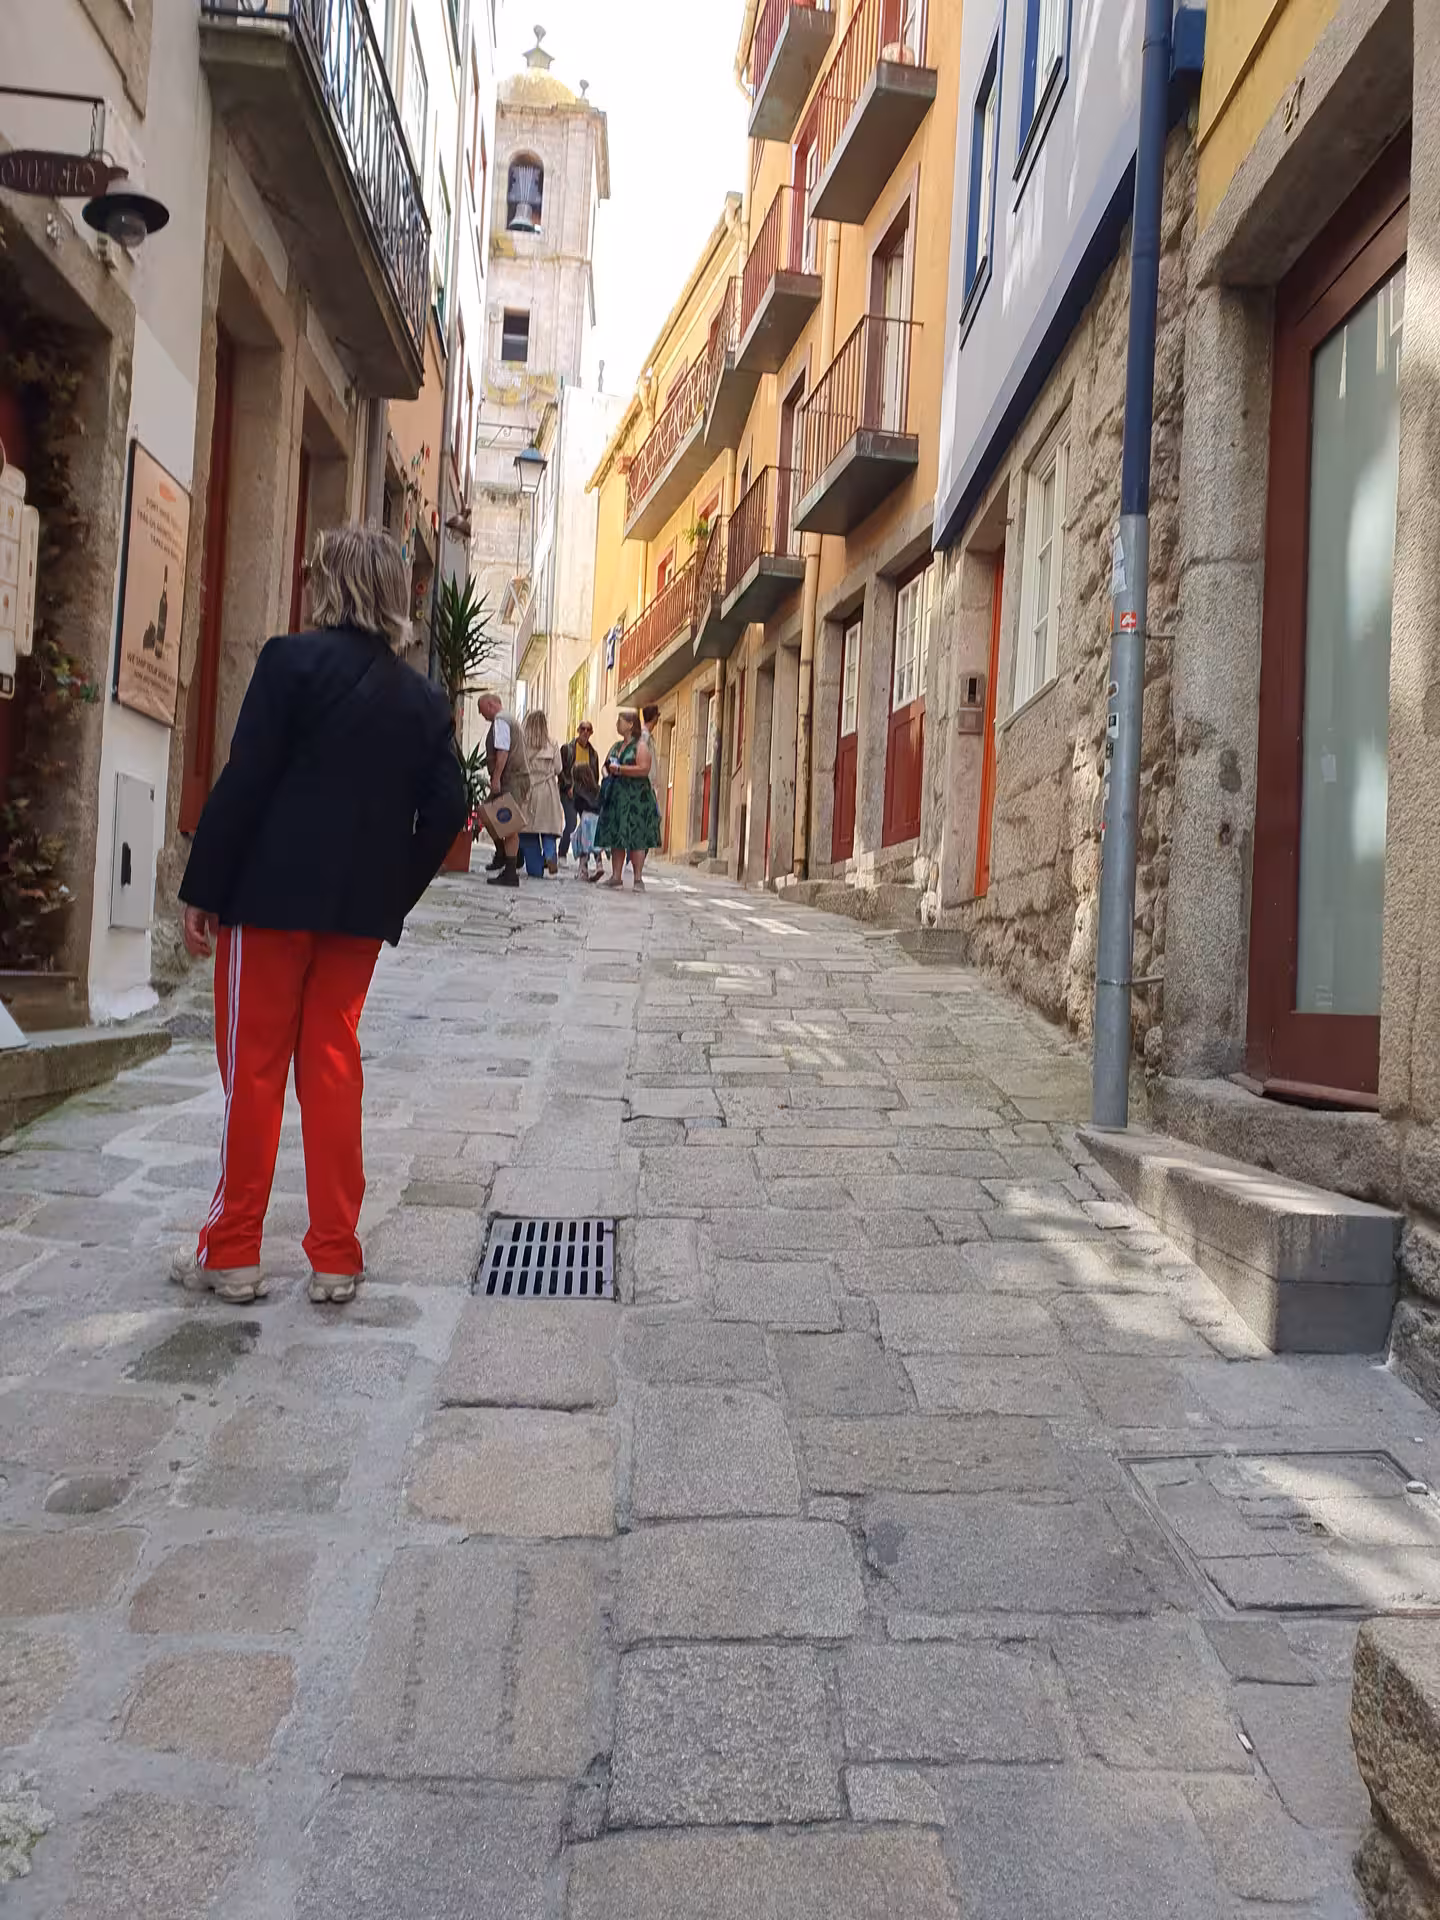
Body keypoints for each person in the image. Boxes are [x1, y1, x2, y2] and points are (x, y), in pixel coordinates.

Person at [173, 523, 467, 1308]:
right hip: (352, 918)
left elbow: (246, 778)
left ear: (330, 584)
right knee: (333, 1067)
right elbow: (450, 806)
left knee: (255, 1071)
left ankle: (233, 1250)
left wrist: (204, 886)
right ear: (393, 596)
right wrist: (390, 890)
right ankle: (336, 1254)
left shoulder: (288, 662)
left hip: (265, 903)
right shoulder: (423, 699)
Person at [593, 708, 662, 890]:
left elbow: (643, 768)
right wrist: (607, 771)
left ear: (630, 724)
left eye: (620, 720)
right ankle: (616, 876)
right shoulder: (616, 746)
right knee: (617, 836)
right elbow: (607, 764)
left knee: (636, 836)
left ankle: (638, 879)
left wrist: (621, 770)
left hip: (637, 798)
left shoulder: (640, 745)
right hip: (617, 797)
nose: (617, 724)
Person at [477, 688, 532, 887]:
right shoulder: (506, 719)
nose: (483, 717)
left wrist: (497, 778)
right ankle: (503, 855)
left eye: (483, 712)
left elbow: (503, 751)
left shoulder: (501, 720)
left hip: (511, 778)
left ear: (491, 705)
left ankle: (510, 871)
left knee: (508, 825)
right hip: (512, 778)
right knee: (485, 811)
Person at [517, 708, 565, 877]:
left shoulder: (521, 744)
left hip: (528, 790)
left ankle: (535, 868)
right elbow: (559, 768)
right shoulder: (552, 744)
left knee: (528, 832)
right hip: (547, 789)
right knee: (548, 828)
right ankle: (550, 854)